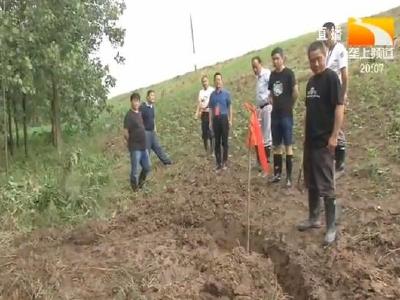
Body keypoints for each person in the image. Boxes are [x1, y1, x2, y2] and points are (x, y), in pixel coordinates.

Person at [298, 41, 344, 245]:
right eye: (312, 60)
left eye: (318, 59)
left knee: (326, 183)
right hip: (311, 141)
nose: (315, 64)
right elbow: (309, 111)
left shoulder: (332, 78)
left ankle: (331, 226)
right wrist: (305, 136)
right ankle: (314, 218)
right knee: (312, 182)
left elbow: (339, 107)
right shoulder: (310, 83)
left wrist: (334, 136)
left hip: (325, 141)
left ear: (325, 57)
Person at [268, 47, 299, 187]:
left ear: (283, 58)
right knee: (276, 146)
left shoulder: (289, 73)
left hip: (286, 114)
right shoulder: (272, 76)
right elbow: (271, 93)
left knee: (288, 146)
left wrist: (289, 105)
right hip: (275, 115)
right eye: (273, 59)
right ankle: (277, 174)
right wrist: (270, 100)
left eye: (277, 58)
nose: (275, 61)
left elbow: (295, 92)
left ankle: (289, 177)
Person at [323, 22, 348, 178]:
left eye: (328, 32)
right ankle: (332, 158)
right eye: (324, 33)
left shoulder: (340, 49)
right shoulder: (328, 52)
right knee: (331, 125)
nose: (326, 36)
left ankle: (341, 162)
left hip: (336, 93)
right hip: (327, 94)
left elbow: (345, 75)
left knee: (337, 126)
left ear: (333, 32)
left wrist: (343, 96)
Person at [123, 92, 151, 191]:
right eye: (134, 101)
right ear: (131, 102)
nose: (136, 103)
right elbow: (125, 133)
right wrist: (130, 142)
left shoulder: (139, 113)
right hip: (135, 147)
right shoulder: (128, 116)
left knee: (147, 167)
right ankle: (135, 189)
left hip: (143, 146)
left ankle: (141, 183)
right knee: (135, 170)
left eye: (137, 101)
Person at [140, 90, 172, 165]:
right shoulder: (143, 107)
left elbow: (153, 119)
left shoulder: (152, 107)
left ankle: (167, 162)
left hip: (152, 132)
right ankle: (143, 169)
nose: (153, 97)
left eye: (154, 95)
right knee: (146, 152)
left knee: (158, 147)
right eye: (151, 95)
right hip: (145, 133)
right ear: (147, 97)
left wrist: (155, 129)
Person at [209, 72, 233, 172]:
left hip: (224, 119)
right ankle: (218, 163)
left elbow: (230, 107)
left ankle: (225, 162)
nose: (218, 81)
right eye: (216, 80)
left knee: (225, 142)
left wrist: (230, 119)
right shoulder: (212, 95)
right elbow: (210, 109)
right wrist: (210, 121)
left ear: (222, 81)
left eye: (219, 79)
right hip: (216, 120)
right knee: (217, 142)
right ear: (214, 82)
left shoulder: (226, 94)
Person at [251, 56, 272, 165]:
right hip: (259, 108)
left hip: (267, 106)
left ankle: (267, 160)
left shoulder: (266, 73)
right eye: (253, 67)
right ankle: (261, 159)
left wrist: (270, 99)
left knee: (267, 132)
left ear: (260, 64)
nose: (255, 69)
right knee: (259, 134)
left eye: (256, 66)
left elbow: (272, 87)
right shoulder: (257, 78)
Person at [195, 75, 215, 154]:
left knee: (211, 132)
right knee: (204, 132)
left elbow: (213, 102)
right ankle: (206, 150)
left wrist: (206, 107)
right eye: (203, 82)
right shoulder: (201, 92)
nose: (204, 83)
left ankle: (212, 151)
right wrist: (197, 112)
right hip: (203, 114)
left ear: (208, 81)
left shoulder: (212, 90)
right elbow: (199, 103)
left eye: (206, 81)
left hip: (210, 113)